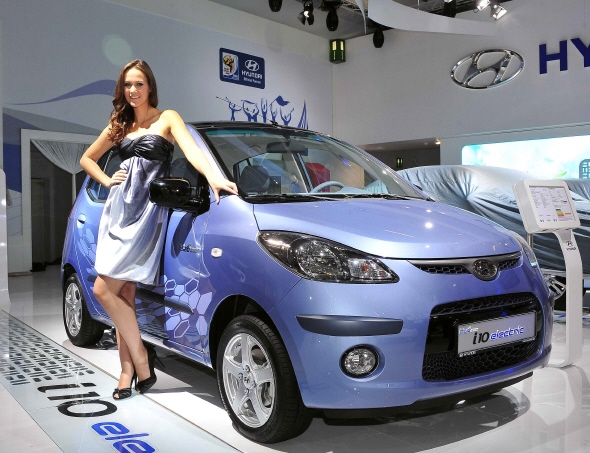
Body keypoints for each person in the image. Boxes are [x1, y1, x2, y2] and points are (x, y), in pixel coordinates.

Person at [80, 59, 238, 400]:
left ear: (150, 86)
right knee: (119, 293)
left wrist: (214, 177)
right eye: (127, 85)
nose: (133, 90)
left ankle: (140, 361)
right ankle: (130, 370)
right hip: (118, 210)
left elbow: (191, 151)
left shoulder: (167, 118)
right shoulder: (119, 124)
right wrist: (107, 180)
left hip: (147, 213)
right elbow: (87, 158)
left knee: (105, 290)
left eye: (139, 83)